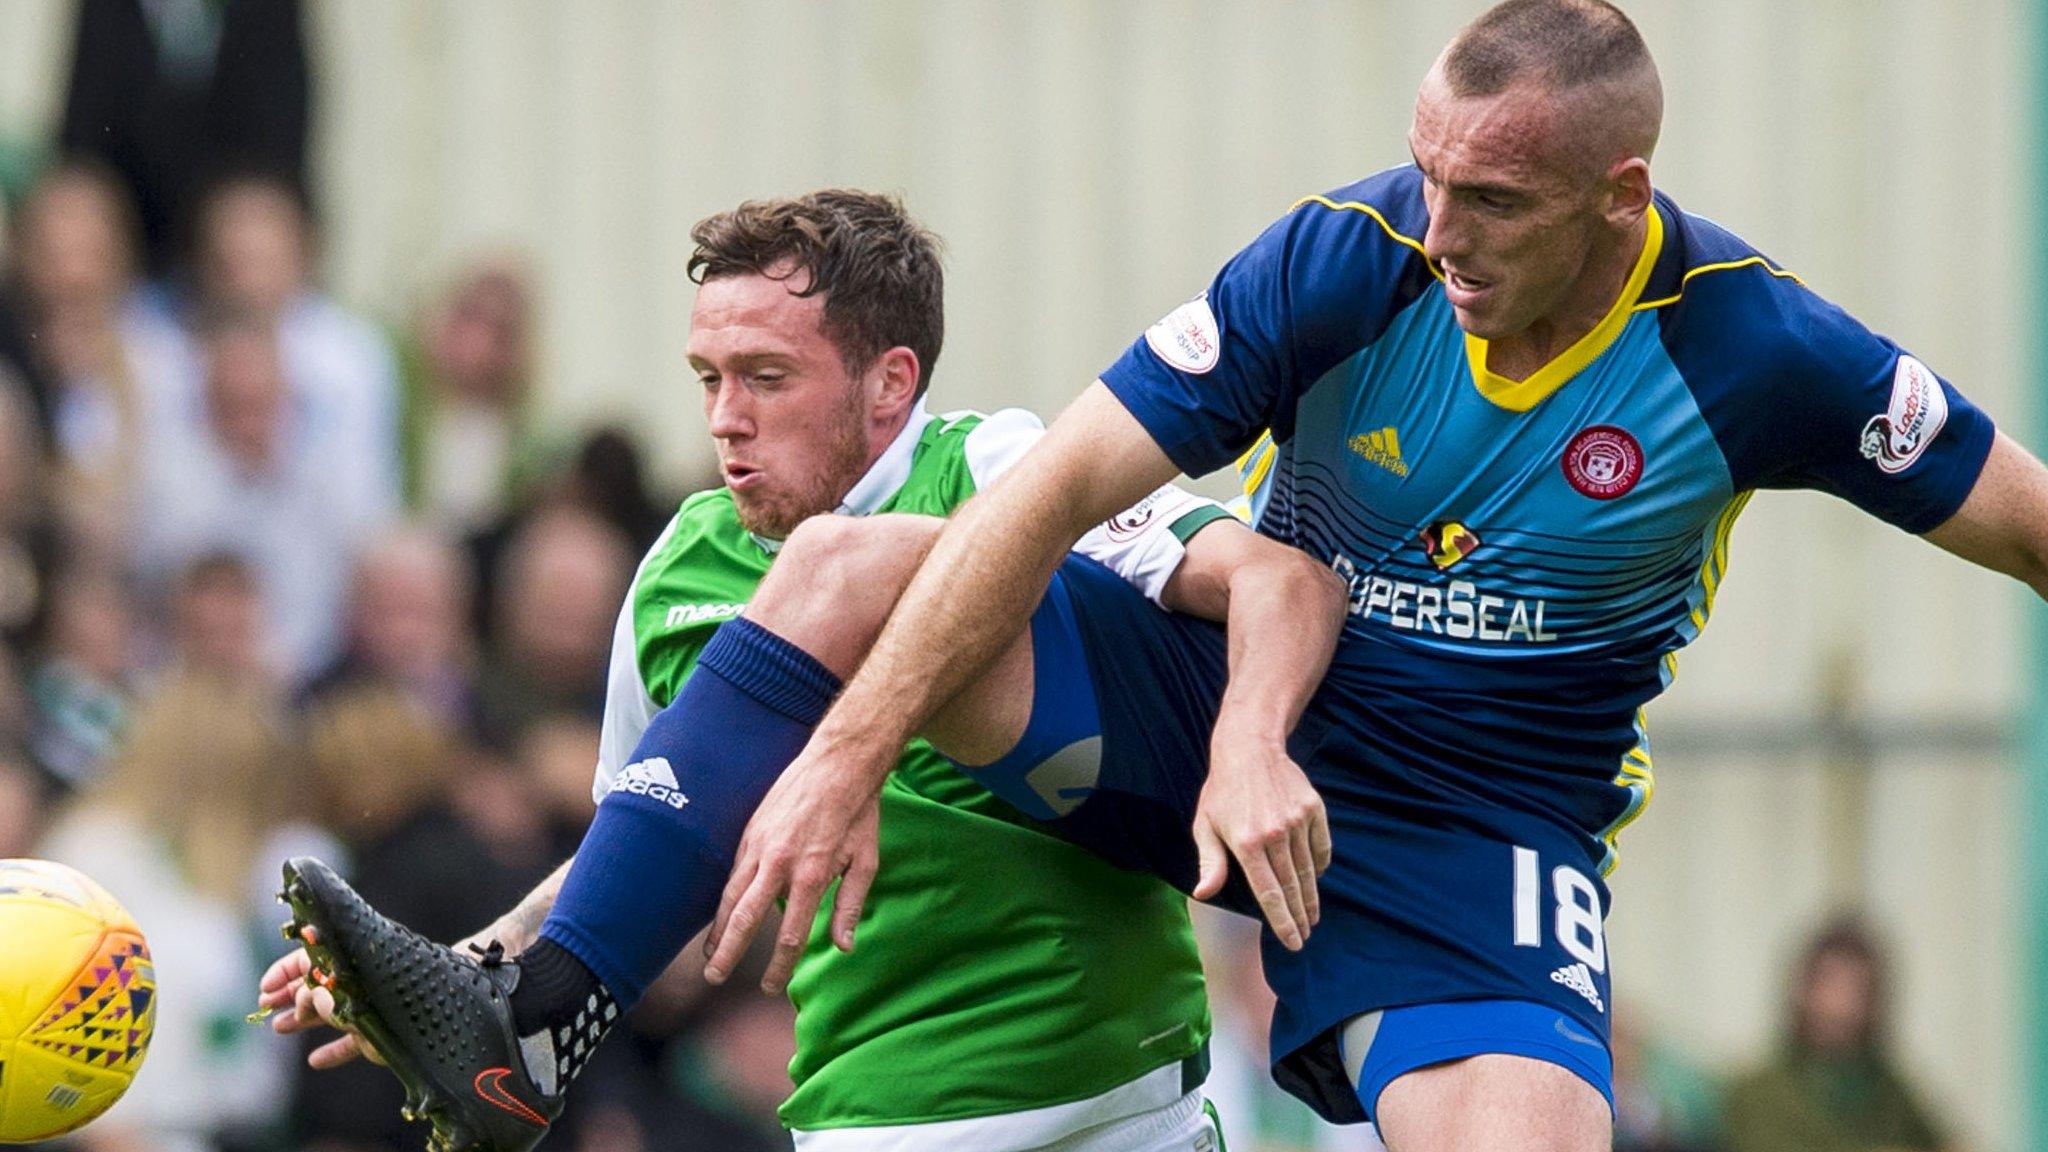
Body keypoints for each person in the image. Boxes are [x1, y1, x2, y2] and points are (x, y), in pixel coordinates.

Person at [614, 2, 2045, 1149]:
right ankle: (533, 1012)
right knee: (853, 568)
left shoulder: (1756, 349)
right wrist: (848, 754)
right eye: (1427, 173)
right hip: (1226, 710)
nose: (1440, 231)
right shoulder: (1345, 258)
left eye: (1490, 198)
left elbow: (2029, 523)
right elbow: (1052, 492)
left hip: (1475, 824)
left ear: (1621, 197)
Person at [260, 189, 1344, 1152]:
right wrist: (448, 979)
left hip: (1109, 1108)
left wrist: (1250, 742)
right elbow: (640, 854)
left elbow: (1279, 581)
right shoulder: (678, 568)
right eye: (707, 379)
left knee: (848, 569)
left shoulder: (1000, 469)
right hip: (863, 1114)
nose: (725, 418)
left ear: (889, 384)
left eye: (765, 378)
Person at [1723, 919, 1959, 1152]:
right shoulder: (1758, 1093)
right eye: (1830, 985)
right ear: (1803, 990)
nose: (1841, 1005)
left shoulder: (1889, 1089)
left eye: (1857, 990)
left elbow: (1948, 1142)